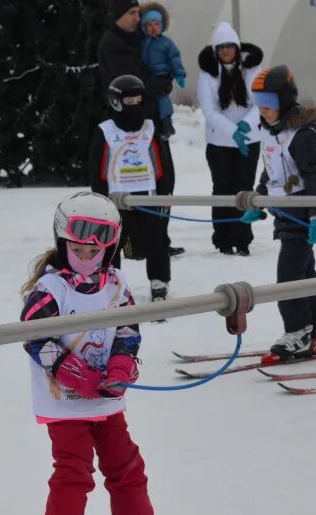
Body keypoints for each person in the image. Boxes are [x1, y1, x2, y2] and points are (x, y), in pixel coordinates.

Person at [18, 191, 169, 515]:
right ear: (63, 244)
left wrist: (121, 364)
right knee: (75, 470)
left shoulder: (116, 284)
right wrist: (75, 372)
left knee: (126, 464)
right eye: (79, 250)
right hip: (65, 402)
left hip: (106, 398)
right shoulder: (51, 289)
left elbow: (128, 327)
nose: (88, 258)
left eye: (96, 251)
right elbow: (35, 338)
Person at [247, 66, 316, 366]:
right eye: (260, 105)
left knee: (288, 277)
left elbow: (315, 177)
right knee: (305, 274)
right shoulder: (271, 134)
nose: (263, 111)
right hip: (283, 216)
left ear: (285, 102)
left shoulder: (301, 136)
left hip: (302, 217)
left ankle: (298, 332)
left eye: (269, 105)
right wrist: (258, 199)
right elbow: (270, 171)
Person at [97, 0, 184, 260]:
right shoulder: (113, 43)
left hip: (150, 121)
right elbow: (135, 82)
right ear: (119, 16)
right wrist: (162, 83)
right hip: (131, 127)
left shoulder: (137, 38)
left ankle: (157, 239)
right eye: (133, 13)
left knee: (162, 181)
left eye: (138, 12)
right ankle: (136, 243)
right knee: (140, 183)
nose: (139, 18)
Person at [90, 74, 175, 301]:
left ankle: (159, 281)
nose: (135, 105)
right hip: (117, 198)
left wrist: (165, 190)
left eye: (138, 100)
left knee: (157, 239)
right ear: (116, 102)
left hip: (147, 195)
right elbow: (98, 166)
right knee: (112, 243)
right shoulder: (106, 130)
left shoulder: (149, 127)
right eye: (129, 101)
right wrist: (100, 197)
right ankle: (111, 285)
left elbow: (161, 161)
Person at [197, 21, 263, 256]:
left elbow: (261, 101)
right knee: (222, 190)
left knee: (244, 189)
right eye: (221, 47)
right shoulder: (208, 73)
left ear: (237, 47)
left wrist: (245, 125)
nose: (225, 51)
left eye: (229, 46)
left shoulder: (252, 68)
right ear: (215, 51)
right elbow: (210, 109)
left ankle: (243, 238)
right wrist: (231, 130)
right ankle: (223, 238)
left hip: (249, 139)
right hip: (219, 143)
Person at [139, 3, 186, 140]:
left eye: (156, 24)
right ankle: (148, 126)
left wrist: (179, 74)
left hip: (161, 75)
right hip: (147, 76)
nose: (153, 28)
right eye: (149, 25)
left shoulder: (166, 43)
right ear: (143, 27)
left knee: (163, 101)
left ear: (162, 25)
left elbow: (174, 58)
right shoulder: (142, 42)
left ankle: (166, 124)